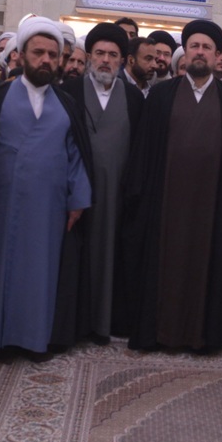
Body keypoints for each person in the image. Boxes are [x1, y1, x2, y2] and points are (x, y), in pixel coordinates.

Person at [122, 19, 222, 352]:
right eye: (194, 46)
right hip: (165, 203)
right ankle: (159, 333)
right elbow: (144, 150)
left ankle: (200, 336)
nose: (200, 52)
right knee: (164, 265)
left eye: (207, 47)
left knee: (205, 267)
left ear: (217, 55)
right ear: (185, 51)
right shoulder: (161, 95)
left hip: (213, 207)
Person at [0, 17, 91, 355]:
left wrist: (78, 199)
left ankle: (35, 340)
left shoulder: (67, 103)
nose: (45, 60)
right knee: (1, 270)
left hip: (49, 207)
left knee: (41, 273)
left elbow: (76, 154)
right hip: (2, 205)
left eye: (52, 54)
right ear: (21, 55)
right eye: (38, 53)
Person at [60, 23, 143, 343]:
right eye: (99, 53)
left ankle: (104, 323)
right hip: (75, 196)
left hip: (117, 199)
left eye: (112, 54)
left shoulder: (134, 98)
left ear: (122, 60)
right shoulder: (69, 92)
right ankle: (75, 324)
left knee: (111, 258)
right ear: (89, 56)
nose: (105, 60)